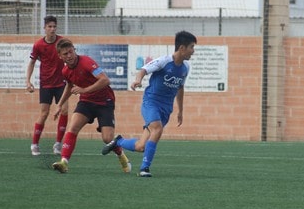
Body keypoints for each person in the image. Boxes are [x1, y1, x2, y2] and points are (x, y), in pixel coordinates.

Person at [101, 31, 197, 177]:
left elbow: (180, 88)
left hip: (166, 109)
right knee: (157, 129)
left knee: (141, 146)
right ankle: (144, 168)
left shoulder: (186, 68)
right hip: (151, 102)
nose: (193, 51)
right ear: (182, 48)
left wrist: (180, 111)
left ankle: (118, 142)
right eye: (191, 47)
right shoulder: (164, 61)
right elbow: (144, 69)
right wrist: (138, 80)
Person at [51, 38, 131, 174]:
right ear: (60, 56)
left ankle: (121, 155)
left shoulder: (87, 62)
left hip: (104, 102)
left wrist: (84, 90)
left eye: (70, 52)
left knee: (107, 139)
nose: (69, 56)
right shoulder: (65, 71)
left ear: (74, 50)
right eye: (65, 54)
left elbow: (105, 80)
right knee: (73, 127)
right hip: (86, 102)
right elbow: (69, 86)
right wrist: (59, 104)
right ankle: (64, 162)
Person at [25, 15, 68, 156]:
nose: (52, 29)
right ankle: (35, 144)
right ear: (44, 28)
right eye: (49, 26)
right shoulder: (38, 45)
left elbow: (71, 59)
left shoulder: (62, 42)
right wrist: (28, 81)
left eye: (54, 26)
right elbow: (31, 63)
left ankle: (58, 144)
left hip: (61, 83)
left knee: (64, 110)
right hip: (46, 84)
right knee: (44, 113)